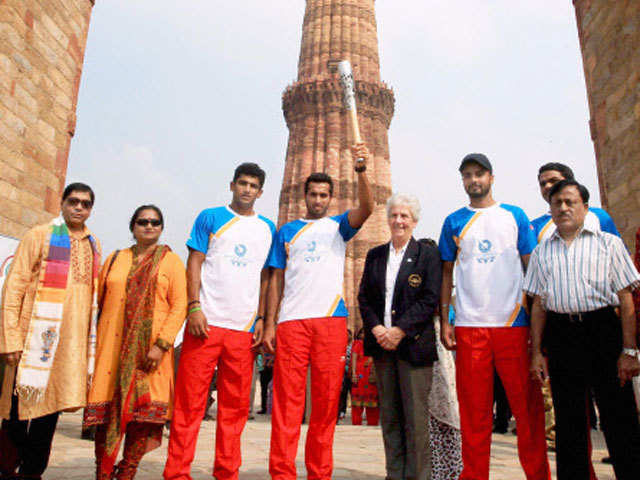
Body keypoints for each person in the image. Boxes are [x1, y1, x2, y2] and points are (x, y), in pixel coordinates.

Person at [263, 143, 374, 480]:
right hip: (292, 321)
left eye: (324, 195)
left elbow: (368, 208)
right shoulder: (287, 231)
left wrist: (361, 172)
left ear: (330, 198)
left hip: (330, 320)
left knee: (325, 404)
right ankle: (282, 472)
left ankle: (319, 472)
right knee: (287, 404)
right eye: (313, 194)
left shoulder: (338, 227)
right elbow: (275, 281)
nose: (318, 200)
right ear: (305, 196)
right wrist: (269, 324)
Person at [438, 154, 550, 480]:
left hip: (513, 323)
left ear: (491, 177)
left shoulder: (514, 216)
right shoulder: (454, 221)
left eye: (479, 174)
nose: (474, 181)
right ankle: (474, 475)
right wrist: (446, 320)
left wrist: (537, 324)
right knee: (474, 413)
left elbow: (533, 269)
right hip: (471, 326)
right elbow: (447, 273)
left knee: (526, 410)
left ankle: (538, 475)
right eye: (467, 176)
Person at [163, 163, 275, 480]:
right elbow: (194, 262)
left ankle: (226, 471)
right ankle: (176, 472)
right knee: (189, 404)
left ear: (260, 192)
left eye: (253, 185)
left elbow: (267, 278)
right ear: (232, 185)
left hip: (243, 330)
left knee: (235, 409)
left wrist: (264, 319)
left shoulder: (267, 228)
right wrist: (194, 306)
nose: (247, 190)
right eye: (242, 183)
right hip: (206, 323)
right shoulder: (210, 217)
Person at [525, 179, 640, 480]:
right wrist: (537, 352)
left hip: (603, 330)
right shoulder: (541, 253)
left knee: (620, 418)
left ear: (585, 207)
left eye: (569, 202)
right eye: (556, 203)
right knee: (569, 422)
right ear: (550, 210)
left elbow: (626, 299)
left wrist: (629, 350)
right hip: (562, 335)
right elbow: (538, 304)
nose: (563, 208)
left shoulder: (609, 244)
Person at [0, 183, 101, 479]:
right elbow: (14, 286)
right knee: (16, 414)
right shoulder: (39, 235)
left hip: (67, 347)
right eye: (73, 201)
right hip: (32, 342)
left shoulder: (93, 245)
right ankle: (7, 468)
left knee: (48, 416)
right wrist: (10, 338)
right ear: (62, 203)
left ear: (90, 209)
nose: (79, 207)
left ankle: (32, 472)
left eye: (85, 203)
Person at [84, 205, 187, 480]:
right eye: (143, 221)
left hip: (151, 356)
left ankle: (127, 471)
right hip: (112, 352)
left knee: (142, 419)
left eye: (155, 222)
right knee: (107, 418)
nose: (149, 226)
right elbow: (98, 302)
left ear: (162, 227)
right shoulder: (116, 258)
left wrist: (161, 344)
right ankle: (103, 473)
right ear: (133, 226)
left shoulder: (171, 262)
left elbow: (179, 307)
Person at [358, 193, 442, 480]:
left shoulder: (427, 255)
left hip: (413, 348)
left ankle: (418, 476)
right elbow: (364, 298)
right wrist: (377, 329)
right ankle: (394, 474)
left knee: (416, 420)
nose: (399, 221)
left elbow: (429, 299)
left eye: (404, 216)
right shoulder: (376, 255)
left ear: (414, 221)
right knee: (391, 418)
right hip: (383, 347)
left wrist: (399, 330)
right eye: (394, 215)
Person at [532, 162, 619, 242]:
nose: (547, 186)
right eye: (543, 184)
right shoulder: (535, 227)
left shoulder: (598, 216)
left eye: (554, 181)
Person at [349, 329, 378, 426]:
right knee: (357, 401)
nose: (364, 334)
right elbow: (353, 358)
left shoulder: (375, 343)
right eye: (362, 332)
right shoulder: (358, 344)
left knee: (372, 401)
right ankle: (356, 422)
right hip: (360, 374)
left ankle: (372, 422)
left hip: (371, 374)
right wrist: (353, 373)